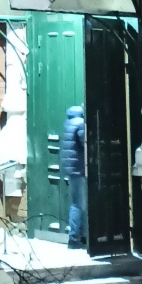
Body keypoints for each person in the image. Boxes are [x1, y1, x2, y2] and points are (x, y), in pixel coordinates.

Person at [60, 103, 87, 250]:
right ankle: (74, 237)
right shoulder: (80, 124)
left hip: (72, 170)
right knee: (79, 205)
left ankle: (79, 235)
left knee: (77, 203)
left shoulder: (69, 123)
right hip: (79, 170)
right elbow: (86, 144)